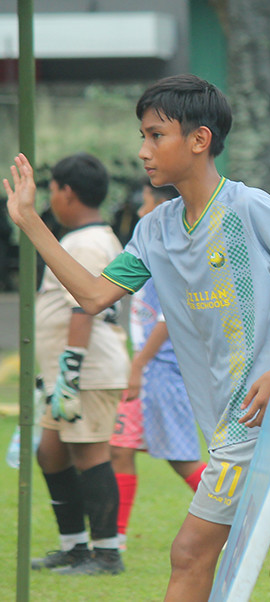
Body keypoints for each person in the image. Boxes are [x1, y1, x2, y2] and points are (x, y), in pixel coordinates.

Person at [5, 73, 270, 601]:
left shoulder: (249, 208)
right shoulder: (154, 230)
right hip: (227, 420)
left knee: (189, 553)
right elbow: (94, 296)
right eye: (142, 136)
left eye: (155, 135)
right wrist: (31, 221)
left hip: (257, 419)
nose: (143, 150)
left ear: (200, 139)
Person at [29, 152, 128, 575]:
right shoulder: (78, 238)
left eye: (52, 190)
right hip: (68, 375)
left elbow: (83, 308)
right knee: (51, 453)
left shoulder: (87, 241)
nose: (52, 199)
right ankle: (75, 547)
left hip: (85, 374)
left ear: (67, 192)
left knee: (89, 453)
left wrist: (69, 373)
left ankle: (106, 554)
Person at [109, 182, 206, 551]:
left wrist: (139, 364)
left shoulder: (172, 246)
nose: (139, 209)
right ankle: (113, 540)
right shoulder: (151, 243)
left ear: (162, 205)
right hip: (150, 371)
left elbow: (168, 319)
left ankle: (242, 515)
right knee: (119, 448)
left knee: (181, 458)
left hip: (162, 371)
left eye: (145, 200)